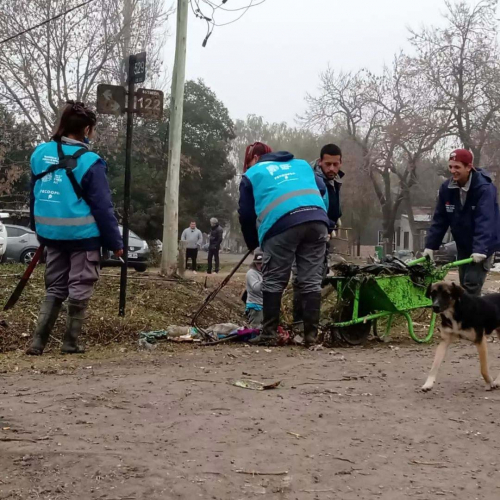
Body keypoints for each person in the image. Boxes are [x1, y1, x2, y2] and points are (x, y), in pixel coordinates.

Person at [26, 101, 123, 355]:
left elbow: (33, 194)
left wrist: (37, 228)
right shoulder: (92, 162)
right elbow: (103, 207)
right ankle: (70, 343)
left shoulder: (39, 153)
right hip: (83, 236)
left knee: (55, 286)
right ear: (88, 129)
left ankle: (37, 343)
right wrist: (116, 244)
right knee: (80, 284)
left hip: (51, 234)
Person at [239, 142, 329, 347]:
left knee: (274, 280)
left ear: (254, 160)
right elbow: (322, 188)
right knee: (311, 281)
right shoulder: (302, 165)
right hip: (317, 221)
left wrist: (253, 244)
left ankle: (269, 334)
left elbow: (245, 214)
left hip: (282, 225)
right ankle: (310, 337)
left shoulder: (253, 174)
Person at [424, 148, 500, 296]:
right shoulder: (447, 188)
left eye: (457, 167)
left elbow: (485, 220)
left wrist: (480, 249)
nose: (453, 171)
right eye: (451, 166)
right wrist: (430, 246)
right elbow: (440, 219)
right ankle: (467, 318)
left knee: (471, 286)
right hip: (463, 243)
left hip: (483, 245)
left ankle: (474, 318)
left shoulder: (484, 188)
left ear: (469, 167)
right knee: (463, 287)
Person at [293, 144, 345, 328]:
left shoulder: (334, 180)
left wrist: (335, 219)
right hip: (307, 233)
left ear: (340, 163)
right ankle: (300, 323)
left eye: (335, 164)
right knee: (304, 277)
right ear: (320, 161)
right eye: (328, 164)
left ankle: (308, 322)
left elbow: (332, 205)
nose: (332, 168)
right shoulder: (310, 179)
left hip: (324, 233)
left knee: (317, 276)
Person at [245, 248, 264, 328]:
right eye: (258, 263)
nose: (260, 265)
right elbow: (256, 288)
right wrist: (267, 279)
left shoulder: (264, 272)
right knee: (255, 329)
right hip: (255, 305)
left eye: (262, 263)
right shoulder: (251, 273)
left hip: (264, 305)